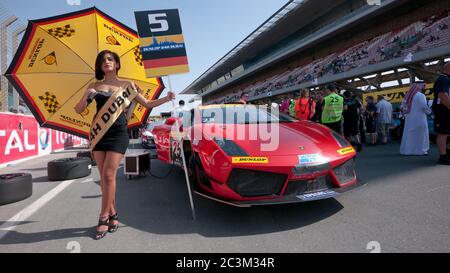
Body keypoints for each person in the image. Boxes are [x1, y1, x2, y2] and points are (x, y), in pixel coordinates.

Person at [74, 50, 175, 240]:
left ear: (117, 64)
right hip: (98, 133)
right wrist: (87, 96)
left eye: (110, 59)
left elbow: (148, 105)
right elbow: (79, 109)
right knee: (104, 179)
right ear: (99, 65)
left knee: (109, 174)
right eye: (103, 60)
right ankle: (114, 215)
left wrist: (167, 98)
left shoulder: (127, 86)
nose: (106, 62)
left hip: (118, 133)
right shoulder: (94, 85)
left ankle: (103, 217)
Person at [400, 82, 432, 155]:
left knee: (410, 134)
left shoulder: (408, 96)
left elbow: (403, 107)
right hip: (420, 118)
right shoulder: (420, 95)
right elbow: (424, 106)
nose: (424, 88)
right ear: (420, 86)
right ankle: (421, 150)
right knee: (421, 134)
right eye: (423, 86)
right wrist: (430, 112)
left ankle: (408, 150)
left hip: (409, 118)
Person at [432, 62, 450, 165]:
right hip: (443, 109)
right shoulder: (443, 79)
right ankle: (443, 157)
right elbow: (443, 96)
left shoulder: (446, 79)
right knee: (443, 132)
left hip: (446, 108)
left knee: (447, 132)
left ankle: (447, 154)